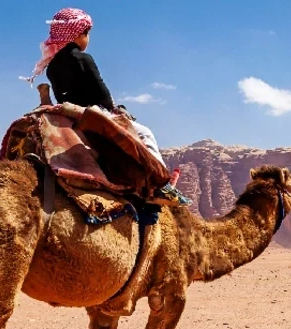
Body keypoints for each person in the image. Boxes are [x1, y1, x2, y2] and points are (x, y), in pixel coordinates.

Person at [24, 8, 190, 206]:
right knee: (144, 133)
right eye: (87, 34)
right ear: (79, 34)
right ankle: (161, 185)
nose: (88, 39)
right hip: (92, 115)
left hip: (70, 118)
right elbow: (102, 94)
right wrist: (117, 108)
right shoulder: (84, 59)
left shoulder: (52, 67)